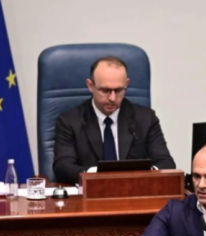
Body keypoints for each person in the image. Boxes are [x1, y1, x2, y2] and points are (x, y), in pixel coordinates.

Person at [53, 56, 176, 184]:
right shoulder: (69, 121)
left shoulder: (146, 118)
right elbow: (62, 168)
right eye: (105, 90)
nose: (112, 98)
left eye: (118, 90)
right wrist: (99, 174)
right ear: (90, 86)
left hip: (134, 190)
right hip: (90, 191)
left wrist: (145, 173)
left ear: (126, 84)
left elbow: (166, 163)